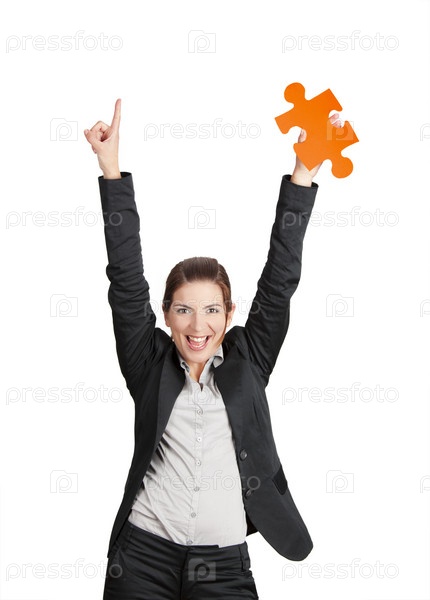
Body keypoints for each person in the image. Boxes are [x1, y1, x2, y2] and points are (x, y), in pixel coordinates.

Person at [84, 99, 341, 600]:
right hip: (143, 556)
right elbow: (126, 279)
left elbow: (279, 283)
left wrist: (302, 175)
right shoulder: (147, 364)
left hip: (224, 564)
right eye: (183, 310)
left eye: (211, 310)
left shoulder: (250, 361)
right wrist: (111, 170)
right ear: (166, 314)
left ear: (229, 313)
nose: (198, 326)